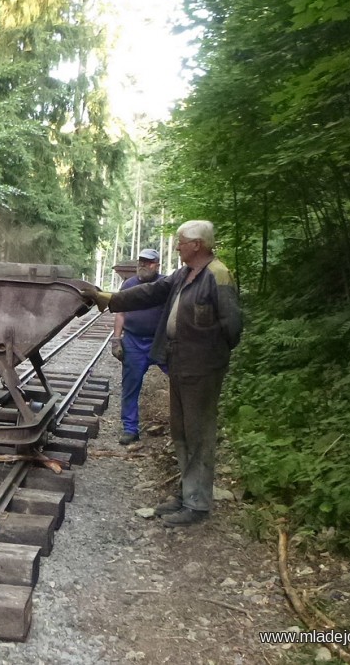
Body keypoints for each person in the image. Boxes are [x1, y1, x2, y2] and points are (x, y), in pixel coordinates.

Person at [83, 221, 242, 527]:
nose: (178, 246)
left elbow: (232, 327)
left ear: (197, 245)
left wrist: (209, 354)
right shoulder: (183, 274)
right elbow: (150, 293)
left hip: (202, 367)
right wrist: (109, 299)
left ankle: (197, 505)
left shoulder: (217, 276)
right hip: (180, 361)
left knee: (199, 434)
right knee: (181, 433)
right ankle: (187, 495)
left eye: (182, 242)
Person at [112, 249, 167, 446]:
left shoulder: (165, 285)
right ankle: (130, 429)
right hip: (134, 341)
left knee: (179, 378)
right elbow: (120, 312)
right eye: (141, 261)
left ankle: (183, 425)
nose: (144, 265)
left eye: (149, 262)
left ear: (157, 265)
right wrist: (117, 340)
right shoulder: (129, 284)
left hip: (159, 341)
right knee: (130, 386)